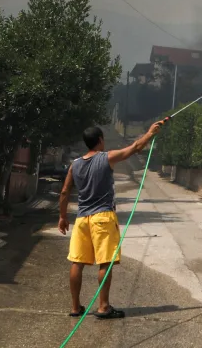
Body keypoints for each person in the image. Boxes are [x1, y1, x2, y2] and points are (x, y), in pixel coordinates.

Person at [58, 121, 163, 319]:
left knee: (77, 262)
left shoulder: (75, 165)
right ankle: (103, 307)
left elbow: (64, 191)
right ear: (100, 140)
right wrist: (150, 133)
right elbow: (135, 147)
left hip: (82, 219)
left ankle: (75, 307)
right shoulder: (107, 157)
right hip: (103, 217)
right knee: (105, 263)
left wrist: (63, 217)